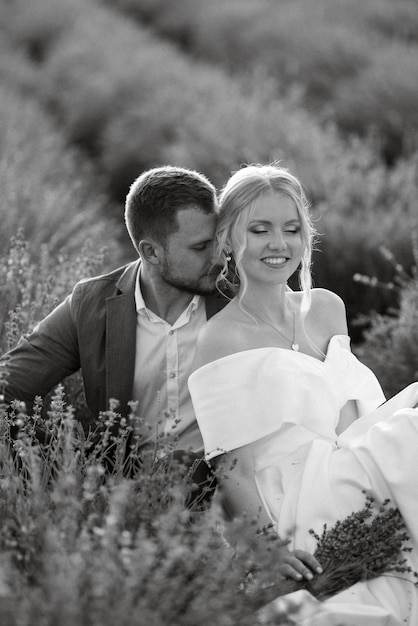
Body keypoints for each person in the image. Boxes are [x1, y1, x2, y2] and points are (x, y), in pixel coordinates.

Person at [188, 163, 418, 624]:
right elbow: (230, 466)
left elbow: (350, 418)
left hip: (351, 469)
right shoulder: (221, 337)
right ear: (229, 240)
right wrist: (269, 550)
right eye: (260, 230)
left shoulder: (327, 308)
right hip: (296, 495)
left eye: (291, 229)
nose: (279, 243)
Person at [0, 165, 226, 500]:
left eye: (218, 241)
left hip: (223, 494)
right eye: (200, 247)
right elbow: (9, 384)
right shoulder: (91, 305)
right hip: (123, 498)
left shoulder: (238, 299)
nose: (218, 256)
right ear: (151, 251)